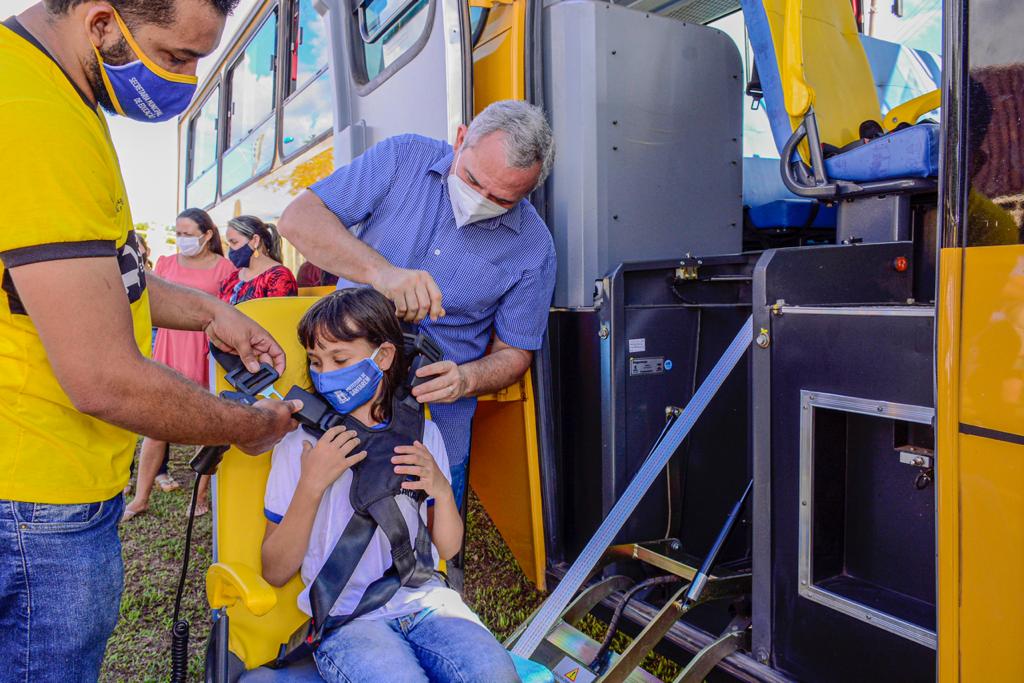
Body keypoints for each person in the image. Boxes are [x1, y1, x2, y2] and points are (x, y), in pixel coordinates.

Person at [0, 2, 302, 680]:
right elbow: (103, 375)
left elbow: (106, 277)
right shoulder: (38, 116)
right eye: (176, 57)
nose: (190, 83)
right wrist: (246, 425)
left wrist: (207, 313)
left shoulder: (56, 94)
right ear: (102, 22)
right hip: (34, 499)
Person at [278, 100, 557, 510]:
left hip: (436, 430)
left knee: (428, 556)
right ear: (461, 139)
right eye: (473, 180)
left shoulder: (535, 248)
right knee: (317, 523)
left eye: (502, 199)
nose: (480, 199)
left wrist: (467, 379)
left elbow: (515, 352)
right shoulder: (403, 157)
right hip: (337, 403)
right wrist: (381, 273)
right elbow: (297, 220)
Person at [261, 288, 519, 683]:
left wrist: (441, 490)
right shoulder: (300, 444)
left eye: (340, 359)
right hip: (347, 616)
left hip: (425, 602)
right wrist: (311, 485)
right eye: (315, 362)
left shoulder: (422, 433)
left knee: (496, 674)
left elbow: (448, 549)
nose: (325, 374)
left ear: (382, 357)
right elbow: (275, 570)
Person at [124, 208, 237, 521]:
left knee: (207, 428)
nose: (182, 240)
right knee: (155, 427)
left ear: (207, 234)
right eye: (179, 234)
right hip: (170, 349)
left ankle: (199, 496)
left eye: (188, 233)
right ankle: (140, 498)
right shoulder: (165, 264)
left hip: (203, 352)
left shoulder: (225, 268)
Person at [220, 215, 299, 304]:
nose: (230, 250)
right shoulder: (230, 279)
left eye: (234, 242)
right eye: (229, 244)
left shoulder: (278, 277)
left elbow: (279, 315)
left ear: (255, 240)